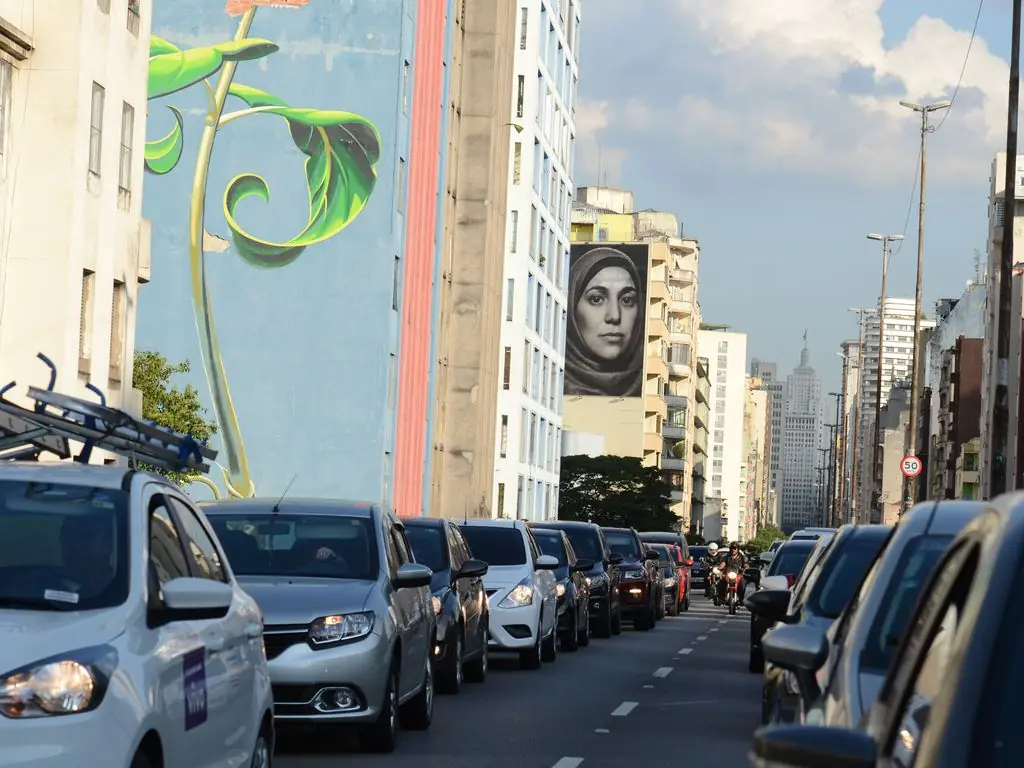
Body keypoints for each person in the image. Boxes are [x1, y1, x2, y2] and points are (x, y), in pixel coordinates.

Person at [565, 246, 645, 397]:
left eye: (627, 300)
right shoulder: (550, 380)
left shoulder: (644, 384)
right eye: (597, 299)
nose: (614, 316)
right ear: (572, 307)